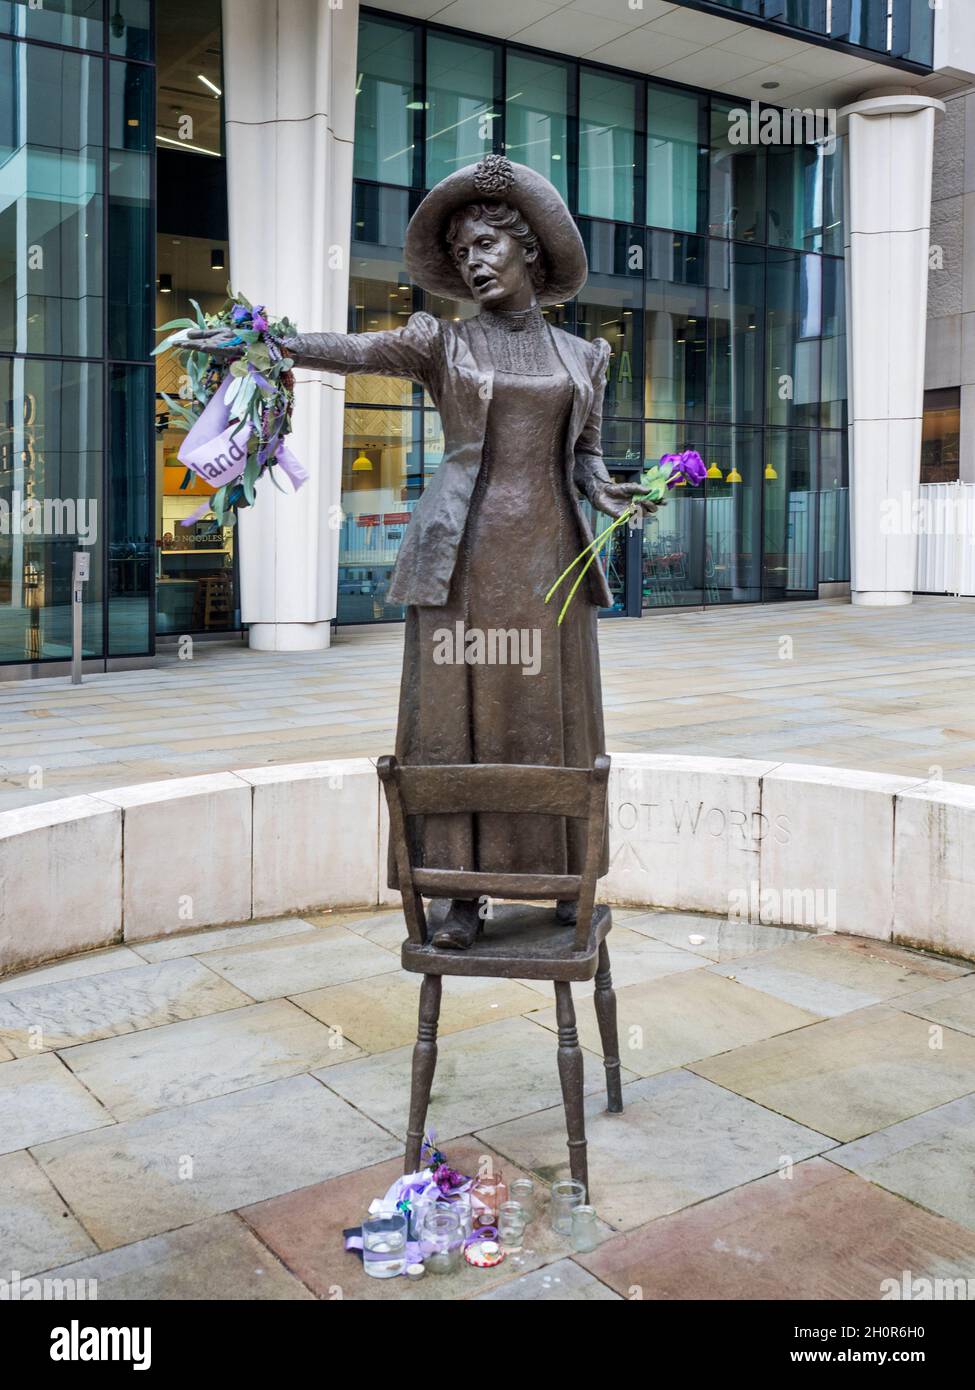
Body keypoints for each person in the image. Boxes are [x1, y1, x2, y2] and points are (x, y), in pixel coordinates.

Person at [181, 154, 654, 948]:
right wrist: (263, 344)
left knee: (550, 716)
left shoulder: (586, 357)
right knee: (453, 721)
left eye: (485, 245)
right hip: (462, 556)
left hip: (552, 561)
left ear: (529, 251)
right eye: (462, 251)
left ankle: (562, 873)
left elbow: (585, 459)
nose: (472, 261)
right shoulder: (441, 342)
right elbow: (358, 352)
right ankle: (458, 890)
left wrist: (611, 493)